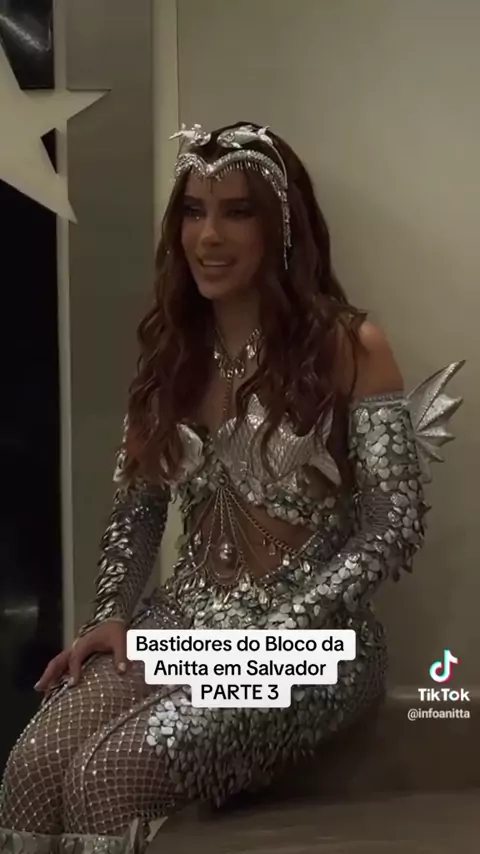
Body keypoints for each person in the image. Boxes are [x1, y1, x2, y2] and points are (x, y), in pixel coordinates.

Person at [0, 121, 464, 854]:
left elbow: (392, 523)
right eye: (193, 211)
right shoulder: (170, 351)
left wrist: (284, 627)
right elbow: (140, 506)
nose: (208, 236)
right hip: (183, 626)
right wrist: (110, 615)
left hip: (314, 643)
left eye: (237, 211)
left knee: (107, 775)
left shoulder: (348, 346)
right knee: (30, 768)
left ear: (282, 226)